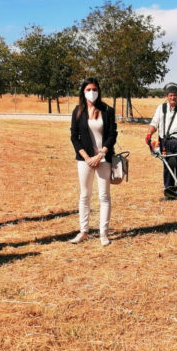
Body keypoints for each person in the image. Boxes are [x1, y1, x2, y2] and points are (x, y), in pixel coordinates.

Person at [69, 77, 118, 246]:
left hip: (103, 158)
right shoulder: (78, 111)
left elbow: (113, 134)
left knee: (104, 196)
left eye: (94, 89)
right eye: (88, 89)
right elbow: (74, 137)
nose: (92, 92)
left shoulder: (107, 110)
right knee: (85, 195)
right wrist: (87, 157)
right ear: (83, 92)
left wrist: (101, 154)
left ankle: (103, 233)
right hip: (84, 160)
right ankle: (83, 231)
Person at [145, 82, 177, 201]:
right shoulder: (161, 108)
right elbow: (154, 123)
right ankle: (170, 193)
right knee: (168, 168)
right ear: (166, 96)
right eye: (170, 95)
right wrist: (149, 134)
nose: (172, 97)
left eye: (175, 95)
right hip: (165, 143)